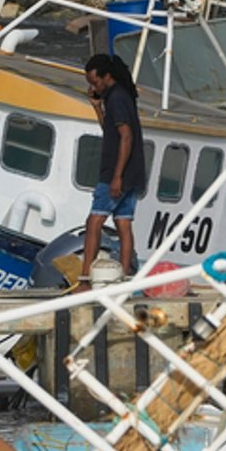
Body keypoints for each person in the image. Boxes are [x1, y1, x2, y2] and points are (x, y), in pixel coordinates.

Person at [76, 53, 145, 291]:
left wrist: (116, 176)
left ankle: (85, 280)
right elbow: (112, 131)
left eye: (96, 82)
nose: (93, 87)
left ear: (107, 77)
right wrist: (97, 107)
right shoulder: (120, 97)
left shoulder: (116, 98)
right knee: (123, 224)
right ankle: (123, 277)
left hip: (117, 173)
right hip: (133, 173)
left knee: (94, 221)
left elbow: (126, 136)